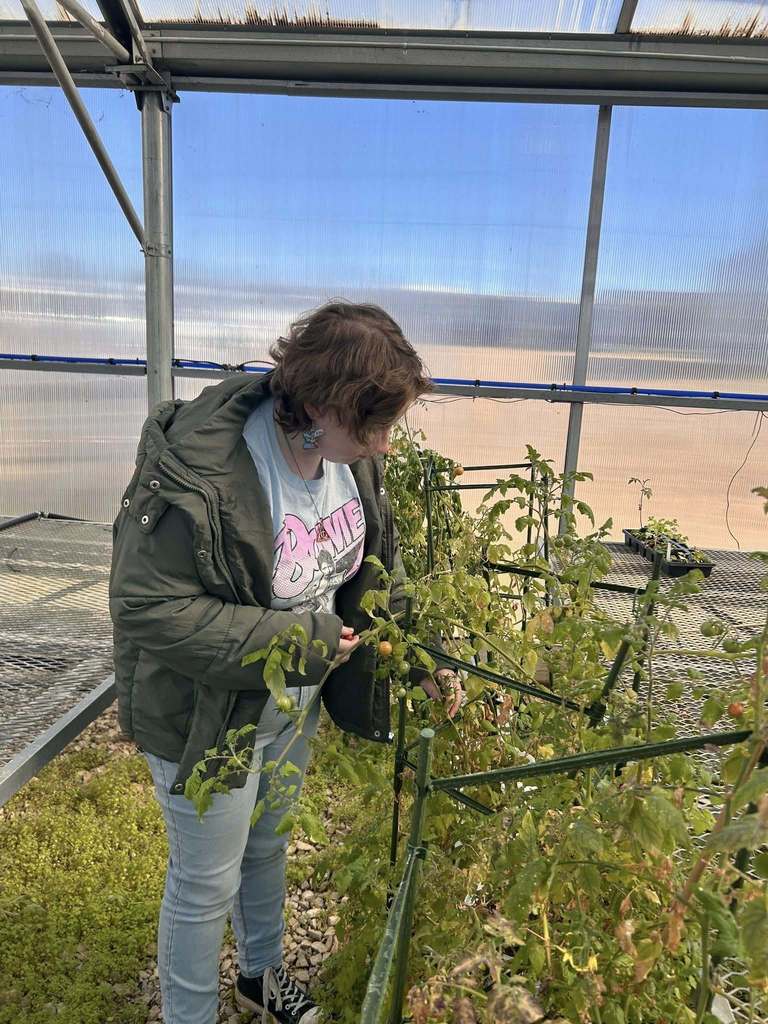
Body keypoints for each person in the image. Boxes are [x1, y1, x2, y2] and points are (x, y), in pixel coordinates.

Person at [109, 301, 465, 1024]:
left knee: (267, 843)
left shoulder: (346, 466)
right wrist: (297, 643)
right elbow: (149, 606)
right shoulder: (205, 468)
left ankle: (260, 976)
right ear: (327, 404)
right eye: (376, 427)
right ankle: (189, 1015)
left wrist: (420, 659)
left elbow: (368, 574)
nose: (386, 447)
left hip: (289, 706)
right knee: (204, 880)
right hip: (208, 716)